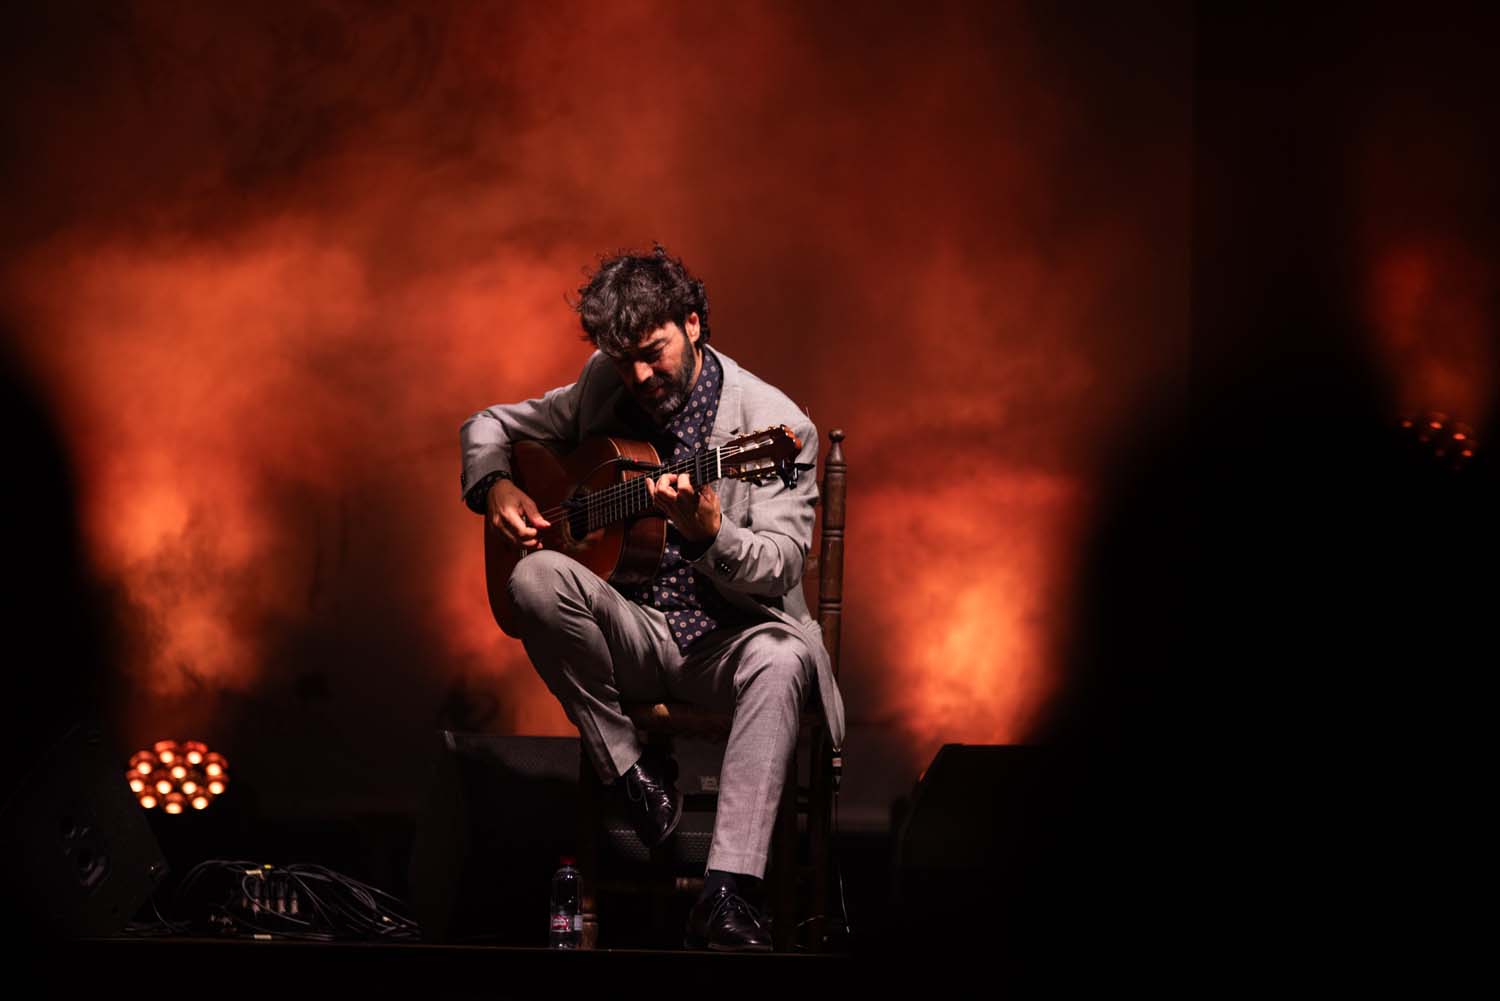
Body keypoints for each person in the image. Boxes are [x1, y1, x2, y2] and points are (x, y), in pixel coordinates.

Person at [458, 246, 845, 951]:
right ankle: (633, 772)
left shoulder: (775, 425)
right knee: (531, 579)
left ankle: (729, 895)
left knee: (786, 660)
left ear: (694, 323)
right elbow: (487, 425)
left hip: (731, 639)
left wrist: (709, 534)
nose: (639, 375)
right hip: (634, 630)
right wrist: (496, 487)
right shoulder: (605, 383)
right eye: (623, 357)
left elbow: (784, 562)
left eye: (653, 351)